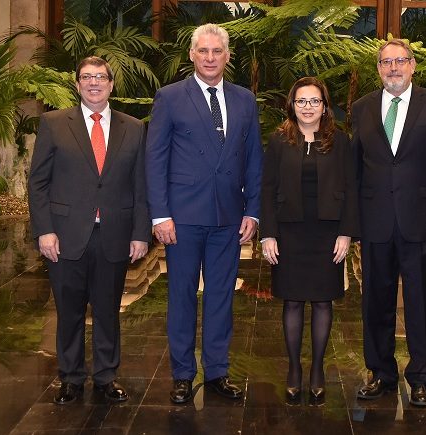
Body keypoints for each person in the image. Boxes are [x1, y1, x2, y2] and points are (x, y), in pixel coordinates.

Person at [145, 24, 263, 404]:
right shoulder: (170, 97)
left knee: (220, 297)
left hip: (229, 217)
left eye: (217, 51)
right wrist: (159, 214)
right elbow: (156, 157)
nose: (210, 58)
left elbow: (254, 160)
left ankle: (217, 372)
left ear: (228, 56)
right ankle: (182, 374)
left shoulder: (245, 100)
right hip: (181, 217)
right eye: (203, 51)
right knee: (181, 295)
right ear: (192, 55)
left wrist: (254, 212)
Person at [28, 56, 150, 405]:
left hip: (115, 234)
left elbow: (141, 185)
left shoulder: (134, 127)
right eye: (86, 77)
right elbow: (38, 182)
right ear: (77, 83)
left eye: (101, 77)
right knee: (69, 310)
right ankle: (70, 378)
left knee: (109, 308)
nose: (94, 82)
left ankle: (106, 376)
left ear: (112, 84)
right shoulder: (53, 123)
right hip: (65, 236)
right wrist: (44, 231)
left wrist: (141, 232)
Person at [352, 39, 426, 407]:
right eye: (386, 62)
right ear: (378, 68)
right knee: (375, 301)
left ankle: (423, 377)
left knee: (421, 301)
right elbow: (355, 168)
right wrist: (353, 221)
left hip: (420, 221)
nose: (393, 68)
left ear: (413, 66)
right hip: (375, 220)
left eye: (400, 61)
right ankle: (381, 372)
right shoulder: (361, 108)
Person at [261, 77, 359, 402]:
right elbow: (267, 188)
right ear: (292, 105)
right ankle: (293, 370)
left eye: (314, 101)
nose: (307, 107)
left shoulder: (340, 140)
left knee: (322, 301)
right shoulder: (278, 141)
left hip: (327, 233)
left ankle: (317, 370)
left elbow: (351, 190)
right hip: (288, 232)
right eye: (301, 101)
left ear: (324, 106)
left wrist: (346, 232)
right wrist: (268, 235)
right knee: (291, 301)